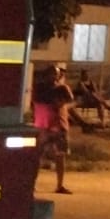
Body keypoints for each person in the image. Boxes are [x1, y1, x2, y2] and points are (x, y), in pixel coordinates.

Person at [31, 64, 75, 195]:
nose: (55, 76)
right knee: (38, 156)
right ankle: (33, 184)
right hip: (45, 126)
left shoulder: (61, 88)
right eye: (53, 73)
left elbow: (70, 100)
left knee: (59, 156)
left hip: (57, 126)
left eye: (56, 74)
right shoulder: (42, 89)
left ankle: (59, 185)